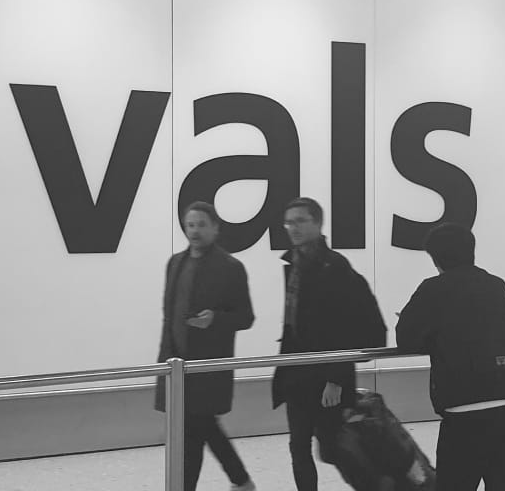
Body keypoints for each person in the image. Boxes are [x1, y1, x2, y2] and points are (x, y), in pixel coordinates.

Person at [397, 223, 505, 491]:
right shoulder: (496, 285)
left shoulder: (433, 288)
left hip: (465, 404)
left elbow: (406, 338)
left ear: (435, 258)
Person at [272, 197, 387, 491]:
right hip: (297, 376)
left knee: (339, 449)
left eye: (300, 220)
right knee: (298, 447)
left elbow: (346, 326)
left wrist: (336, 379)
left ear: (318, 223)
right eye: (289, 222)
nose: (293, 227)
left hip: (326, 379)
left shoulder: (334, 267)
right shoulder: (293, 265)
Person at [155, 201, 257, 491]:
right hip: (176, 363)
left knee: (197, 428)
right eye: (190, 225)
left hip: (207, 366)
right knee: (198, 429)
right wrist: (165, 359)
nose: (195, 231)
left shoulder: (231, 268)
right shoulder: (175, 263)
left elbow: (246, 317)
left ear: (215, 228)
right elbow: (169, 315)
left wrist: (215, 319)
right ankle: (241, 481)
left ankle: (237, 481)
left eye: (201, 225)